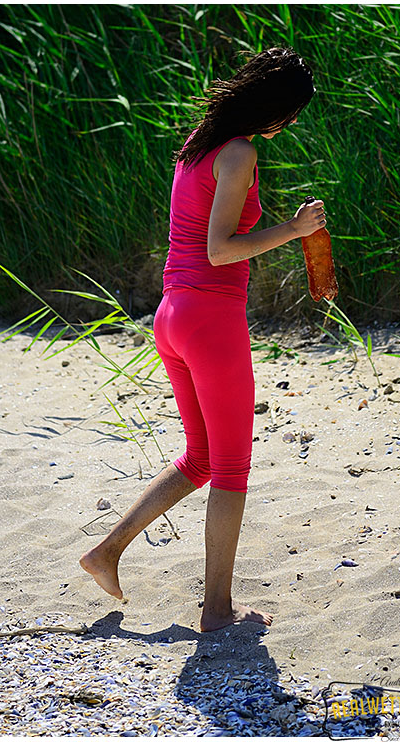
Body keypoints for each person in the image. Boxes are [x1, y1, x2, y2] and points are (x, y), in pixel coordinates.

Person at [80, 46, 327, 632]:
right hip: (209, 319)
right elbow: (219, 250)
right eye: (290, 114)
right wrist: (293, 230)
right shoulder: (239, 152)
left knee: (202, 459)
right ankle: (217, 610)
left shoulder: (201, 142)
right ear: (277, 110)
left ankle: (106, 551)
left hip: (172, 315)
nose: (288, 125)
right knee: (232, 468)